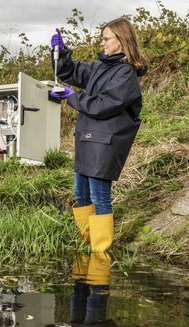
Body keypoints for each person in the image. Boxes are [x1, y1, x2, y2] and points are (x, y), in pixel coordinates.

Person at [50, 18, 147, 282]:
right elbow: (72, 72)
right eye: (102, 38)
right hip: (87, 140)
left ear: (122, 41)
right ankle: (88, 246)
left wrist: (71, 96)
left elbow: (104, 104)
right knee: (81, 196)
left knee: (99, 197)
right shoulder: (99, 67)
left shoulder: (125, 74)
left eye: (107, 38)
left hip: (105, 143)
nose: (102, 42)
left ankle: (100, 255)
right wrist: (61, 53)